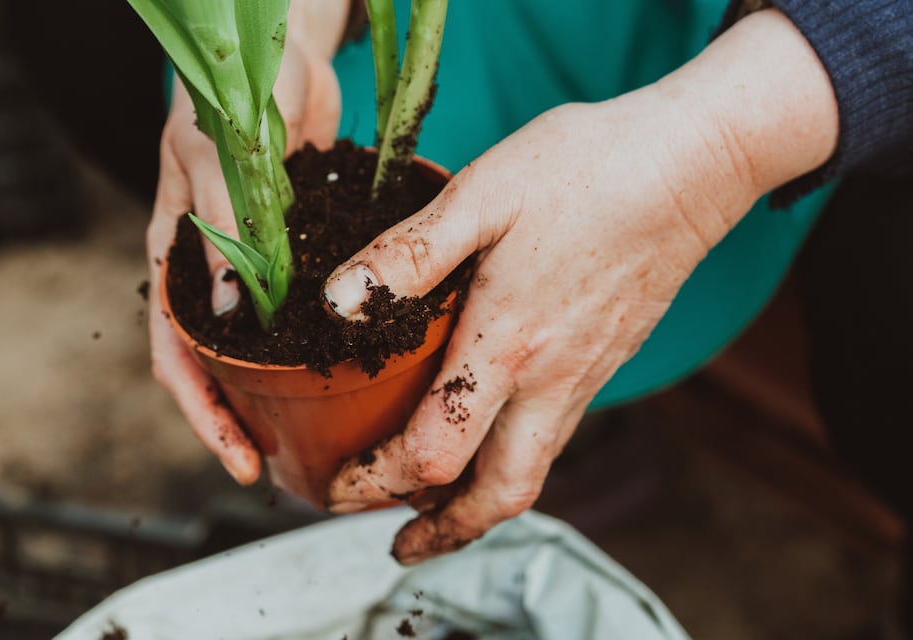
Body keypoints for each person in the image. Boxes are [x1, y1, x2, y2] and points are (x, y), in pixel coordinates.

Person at [145, 0, 912, 636]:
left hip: (770, 53)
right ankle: (547, 433)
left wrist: (716, 151)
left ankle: (563, 421)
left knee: (889, 331)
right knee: (85, 40)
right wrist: (275, 27)